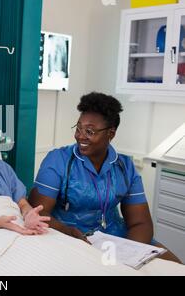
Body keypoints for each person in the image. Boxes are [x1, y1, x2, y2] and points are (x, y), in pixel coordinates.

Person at [29, 92, 182, 263]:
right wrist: (66, 231)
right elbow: (38, 212)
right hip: (70, 234)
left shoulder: (125, 167)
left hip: (116, 237)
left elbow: (141, 223)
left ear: (111, 133)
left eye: (89, 131)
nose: (80, 136)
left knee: (176, 266)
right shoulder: (58, 160)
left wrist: (128, 253)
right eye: (78, 128)